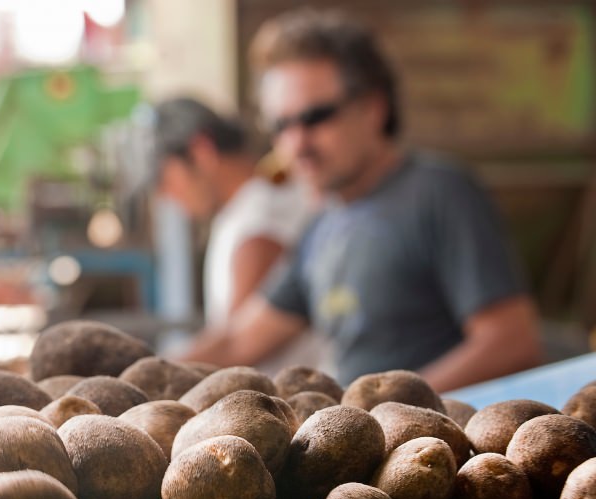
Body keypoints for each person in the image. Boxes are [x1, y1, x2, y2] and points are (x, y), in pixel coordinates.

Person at [180, 9, 542, 391]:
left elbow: (510, 343)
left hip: (439, 443)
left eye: (316, 117)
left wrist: (385, 411)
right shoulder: (322, 226)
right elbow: (239, 340)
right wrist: (138, 375)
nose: (297, 143)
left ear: (374, 108)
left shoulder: (439, 194)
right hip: (363, 438)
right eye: (280, 125)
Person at [154, 97, 315, 330]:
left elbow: (237, 343)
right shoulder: (241, 213)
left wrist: (162, 366)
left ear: (201, 151)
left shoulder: (261, 222)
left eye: (164, 180)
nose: (165, 195)